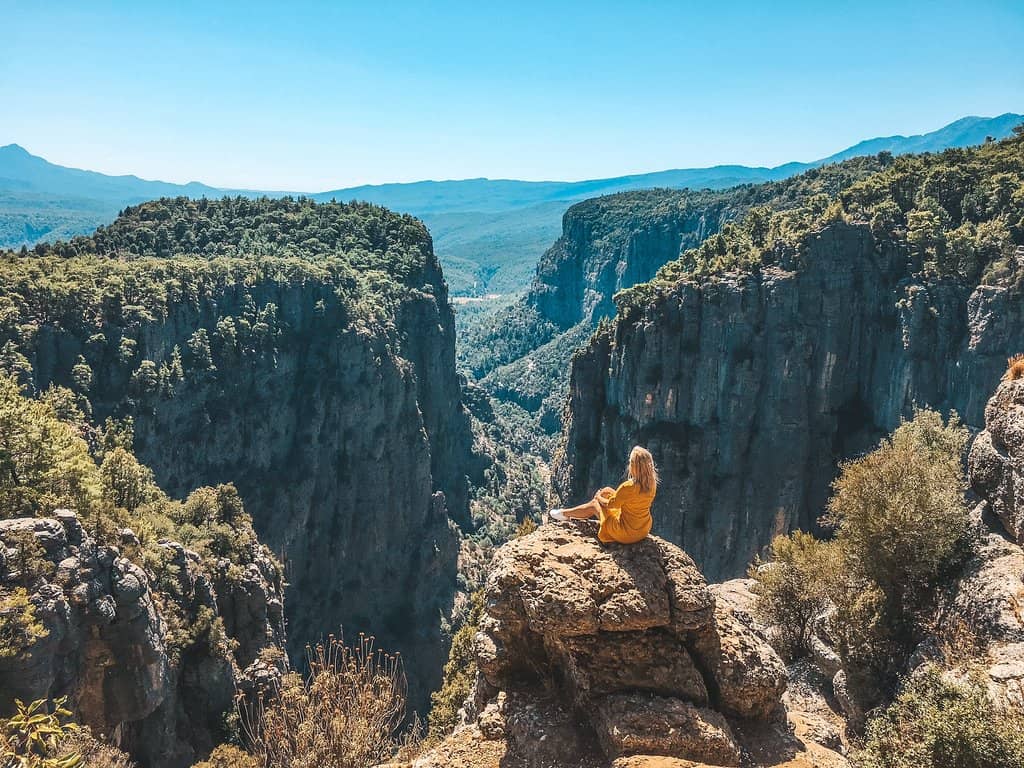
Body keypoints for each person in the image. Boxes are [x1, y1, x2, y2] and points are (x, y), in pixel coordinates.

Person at [548, 446, 657, 544]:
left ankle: (565, 514)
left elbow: (611, 505)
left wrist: (598, 497)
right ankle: (568, 513)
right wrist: (604, 493)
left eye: (630, 462)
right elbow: (629, 500)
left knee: (595, 504)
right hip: (643, 528)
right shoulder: (651, 483)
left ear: (634, 466)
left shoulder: (628, 487)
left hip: (625, 532)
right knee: (607, 490)